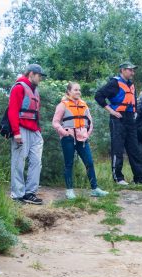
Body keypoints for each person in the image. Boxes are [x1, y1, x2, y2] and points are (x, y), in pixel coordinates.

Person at [52, 82, 109, 200]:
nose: (78, 92)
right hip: (68, 138)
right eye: (75, 90)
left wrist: (87, 134)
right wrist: (64, 132)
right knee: (69, 164)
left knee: (89, 162)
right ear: (68, 92)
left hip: (82, 138)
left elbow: (90, 121)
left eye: (79, 90)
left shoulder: (84, 105)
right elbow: (55, 122)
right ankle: (69, 191)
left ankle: (95, 189)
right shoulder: (62, 105)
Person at [95, 62, 142, 185]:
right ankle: (118, 178)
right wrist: (111, 110)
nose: (132, 73)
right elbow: (99, 96)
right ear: (122, 70)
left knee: (134, 149)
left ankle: (140, 178)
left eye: (133, 70)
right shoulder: (114, 83)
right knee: (117, 149)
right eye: (130, 70)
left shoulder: (131, 85)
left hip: (130, 119)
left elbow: (133, 102)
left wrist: (135, 114)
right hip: (118, 119)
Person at [8, 63, 45, 204]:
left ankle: (30, 193)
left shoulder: (35, 90)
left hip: (34, 131)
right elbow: (12, 111)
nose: (40, 78)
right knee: (18, 162)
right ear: (31, 74)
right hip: (21, 129)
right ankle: (17, 194)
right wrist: (16, 132)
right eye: (39, 75)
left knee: (36, 162)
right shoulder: (19, 87)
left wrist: (38, 130)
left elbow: (36, 113)